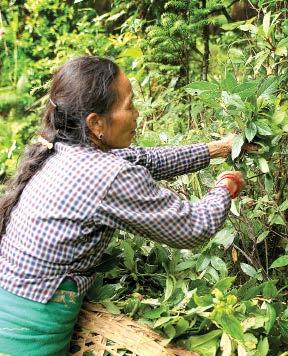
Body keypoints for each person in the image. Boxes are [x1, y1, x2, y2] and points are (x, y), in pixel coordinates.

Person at [0, 56, 245, 355]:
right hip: (27, 335)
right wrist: (225, 187)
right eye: (129, 106)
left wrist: (218, 148)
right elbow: (193, 228)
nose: (137, 113)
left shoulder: (62, 149)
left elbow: (148, 160)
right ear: (96, 123)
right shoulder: (107, 175)